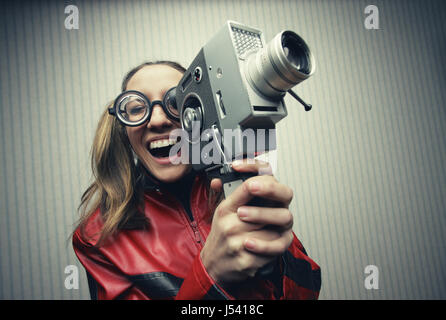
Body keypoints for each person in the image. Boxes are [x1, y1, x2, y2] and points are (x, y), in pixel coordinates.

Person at [72, 60, 321, 300]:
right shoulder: (96, 237)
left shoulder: (239, 187)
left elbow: (309, 287)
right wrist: (209, 274)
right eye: (137, 108)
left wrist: (278, 257)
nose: (158, 120)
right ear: (124, 129)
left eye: (176, 102)